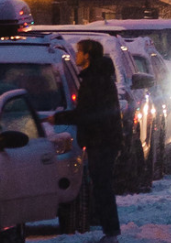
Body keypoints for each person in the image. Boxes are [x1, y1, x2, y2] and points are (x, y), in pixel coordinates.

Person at [54, 39, 122, 243]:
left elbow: (87, 112)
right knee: (101, 185)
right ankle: (109, 230)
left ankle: (111, 232)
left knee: (102, 186)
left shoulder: (95, 80)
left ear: (88, 55)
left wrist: (57, 118)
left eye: (79, 52)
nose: (76, 56)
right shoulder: (97, 78)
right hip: (102, 140)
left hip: (101, 142)